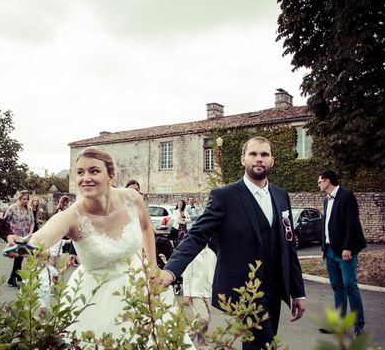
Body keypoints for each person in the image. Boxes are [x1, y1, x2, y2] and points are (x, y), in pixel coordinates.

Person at [6, 147, 194, 345]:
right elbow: (39, 239)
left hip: (139, 286)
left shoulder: (131, 198)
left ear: (110, 176)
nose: (85, 178)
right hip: (95, 299)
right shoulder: (70, 217)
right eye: (80, 172)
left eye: (93, 171)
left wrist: (153, 266)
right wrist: (23, 244)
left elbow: (147, 227)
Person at [157, 136, 306, 349]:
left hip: (275, 287)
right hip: (244, 289)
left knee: (264, 342)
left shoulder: (281, 196)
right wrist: (171, 270)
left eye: (264, 154)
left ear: (272, 160)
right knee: (262, 342)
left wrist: (297, 292)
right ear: (243, 159)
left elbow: (289, 246)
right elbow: (197, 235)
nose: (259, 159)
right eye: (253, 154)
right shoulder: (224, 196)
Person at [318, 169, 366, 336]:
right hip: (330, 251)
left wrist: (348, 247)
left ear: (327, 181)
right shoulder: (326, 201)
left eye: (319, 181)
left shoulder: (347, 196)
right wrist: (324, 249)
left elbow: (352, 223)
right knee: (337, 287)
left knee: (350, 285)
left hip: (345, 251)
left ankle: (358, 325)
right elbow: (326, 226)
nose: (318, 185)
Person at [179, 244, 217, 349]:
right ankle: (183, 340)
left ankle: (204, 346)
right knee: (202, 318)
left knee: (207, 320)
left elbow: (212, 275)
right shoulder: (193, 254)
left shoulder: (212, 254)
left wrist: (211, 294)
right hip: (195, 292)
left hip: (207, 292)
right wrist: (186, 294)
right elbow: (187, 274)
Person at [4, 191, 35, 287]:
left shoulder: (29, 209)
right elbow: (5, 222)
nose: (25, 201)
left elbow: (32, 222)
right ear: (19, 198)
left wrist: (30, 233)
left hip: (25, 237)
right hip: (14, 237)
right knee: (18, 257)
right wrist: (9, 235)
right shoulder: (12, 208)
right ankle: (15, 278)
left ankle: (14, 278)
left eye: (27, 199)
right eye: (23, 199)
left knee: (20, 257)